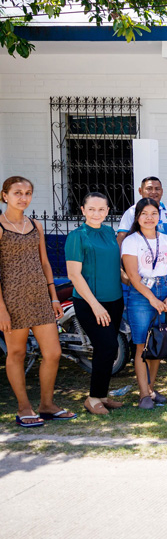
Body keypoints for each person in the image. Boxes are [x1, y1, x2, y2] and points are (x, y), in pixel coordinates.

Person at [0, 176, 72, 426]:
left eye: (28, 193)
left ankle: (47, 405)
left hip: (40, 296)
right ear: (5, 195)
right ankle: (24, 408)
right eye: (17, 193)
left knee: (53, 352)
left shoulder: (35, 225)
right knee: (17, 352)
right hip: (12, 299)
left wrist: (54, 297)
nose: (24, 198)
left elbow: (44, 263)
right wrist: (1, 310)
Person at [66, 192, 125, 415]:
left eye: (101, 209)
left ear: (108, 211)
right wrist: (95, 305)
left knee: (108, 350)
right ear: (83, 210)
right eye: (91, 209)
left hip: (115, 300)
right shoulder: (77, 236)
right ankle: (92, 399)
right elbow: (74, 275)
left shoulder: (109, 232)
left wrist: (130, 279)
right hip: (90, 303)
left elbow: (114, 266)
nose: (96, 213)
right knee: (107, 346)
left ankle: (101, 395)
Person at [121, 198, 167, 410]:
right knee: (141, 344)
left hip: (165, 290)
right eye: (144, 213)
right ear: (137, 217)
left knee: (157, 341)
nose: (149, 217)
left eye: (153, 213)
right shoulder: (131, 241)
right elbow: (133, 277)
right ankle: (143, 394)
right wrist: (152, 299)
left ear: (159, 216)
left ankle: (151, 389)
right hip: (141, 295)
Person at [116, 176, 167, 251]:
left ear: (162, 191)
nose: (153, 192)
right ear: (140, 191)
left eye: (157, 189)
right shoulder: (132, 212)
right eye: (149, 189)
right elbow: (121, 238)